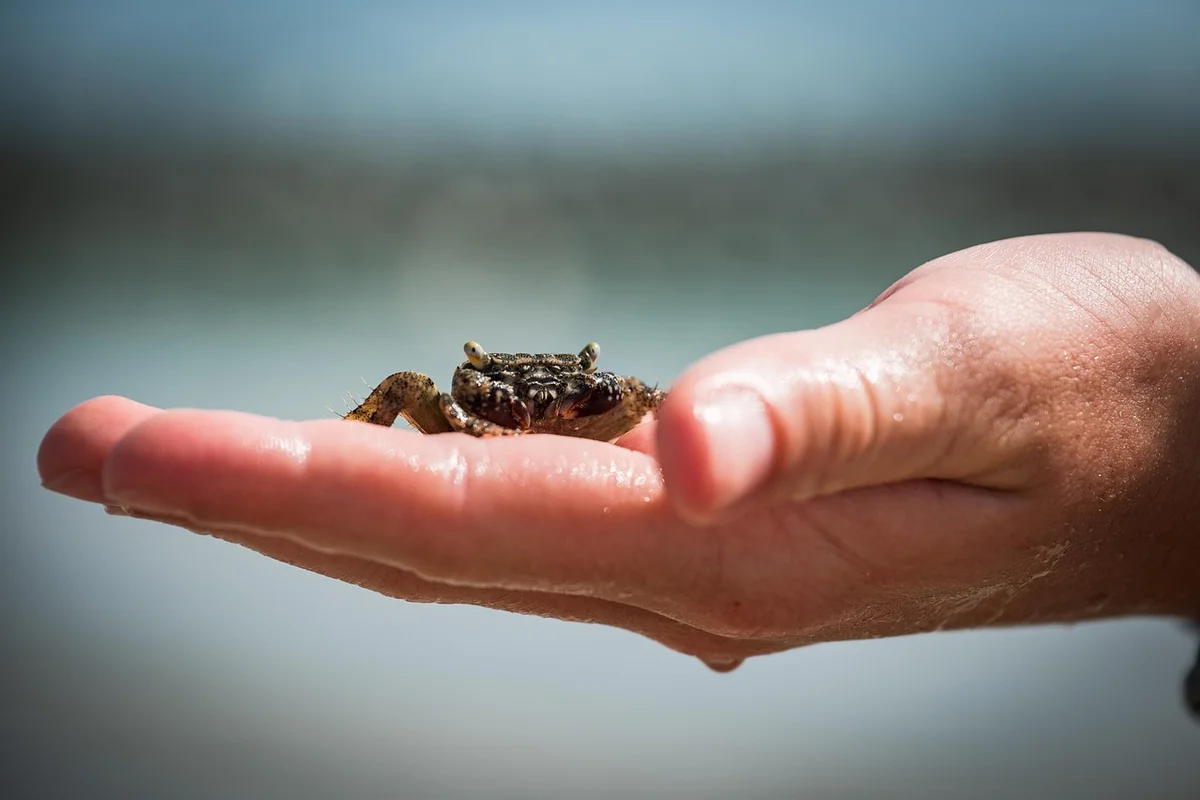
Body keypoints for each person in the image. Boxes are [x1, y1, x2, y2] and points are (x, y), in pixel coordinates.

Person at [36, 233, 1200, 692]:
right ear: (485, 378)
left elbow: (643, 400)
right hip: (481, 442)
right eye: (504, 384)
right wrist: (373, 422)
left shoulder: (608, 396)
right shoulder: (470, 395)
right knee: (397, 391)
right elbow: (410, 393)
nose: (536, 398)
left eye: (568, 385)